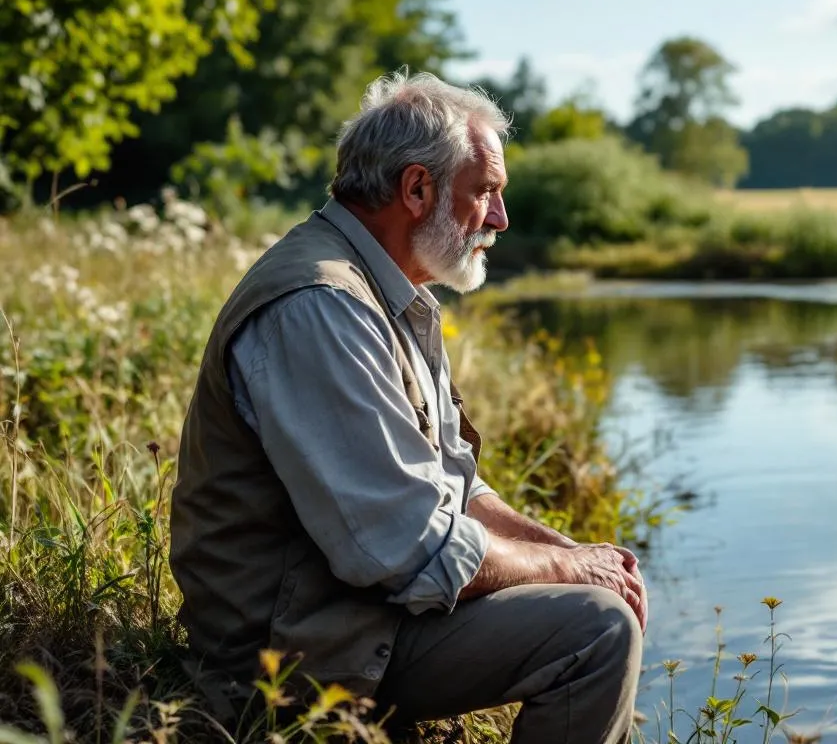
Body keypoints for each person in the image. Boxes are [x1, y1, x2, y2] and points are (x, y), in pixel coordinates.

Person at [168, 69, 647, 744]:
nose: (502, 219)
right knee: (595, 631)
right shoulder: (322, 304)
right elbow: (407, 547)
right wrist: (570, 573)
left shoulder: (388, 290)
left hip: (348, 614)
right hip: (287, 655)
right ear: (417, 189)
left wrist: (577, 553)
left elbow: (455, 482)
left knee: (601, 597)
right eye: (485, 192)